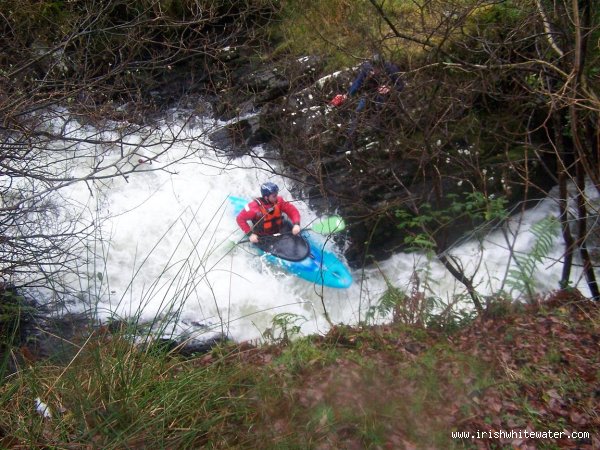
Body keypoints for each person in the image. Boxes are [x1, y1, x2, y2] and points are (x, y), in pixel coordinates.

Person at [330, 54, 404, 112]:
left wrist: (390, 89)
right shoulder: (367, 68)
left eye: (378, 68)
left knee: (380, 108)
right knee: (358, 111)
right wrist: (347, 95)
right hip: (370, 94)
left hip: (387, 97)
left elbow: (401, 85)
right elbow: (358, 82)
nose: (376, 70)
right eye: (374, 68)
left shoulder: (391, 69)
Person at [236, 182, 301, 244]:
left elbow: (292, 210)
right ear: (266, 197)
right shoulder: (253, 207)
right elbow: (239, 219)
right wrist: (250, 234)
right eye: (274, 195)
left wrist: (296, 224)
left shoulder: (279, 201)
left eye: (276, 194)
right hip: (264, 236)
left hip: (280, 230)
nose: (276, 197)